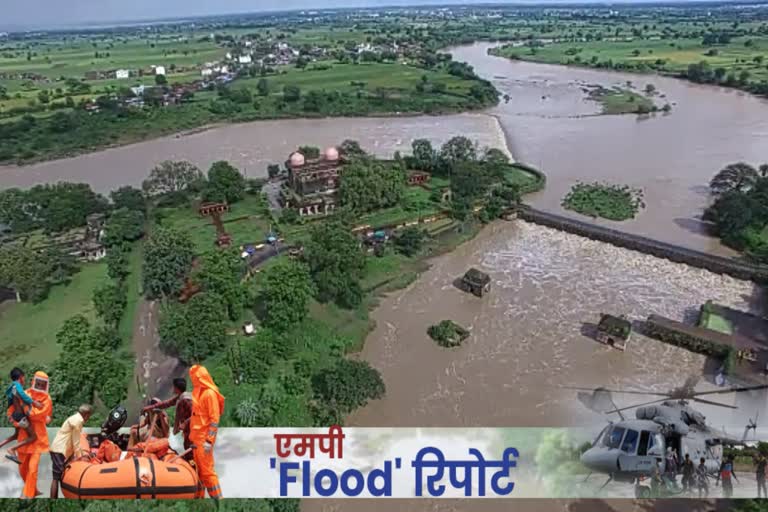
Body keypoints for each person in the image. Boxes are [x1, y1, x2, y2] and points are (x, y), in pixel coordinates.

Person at [16, 371, 52, 499]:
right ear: (34, 381)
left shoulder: (47, 400)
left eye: (44, 384)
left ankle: (27, 494)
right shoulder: (25, 394)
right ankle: (33, 489)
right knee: (22, 468)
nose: (41, 386)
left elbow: (35, 415)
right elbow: (18, 411)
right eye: (39, 383)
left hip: (38, 439)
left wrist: (26, 407)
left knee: (32, 468)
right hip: (24, 437)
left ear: (46, 385)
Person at [189, 365, 224, 499]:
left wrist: (209, 440)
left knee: (208, 472)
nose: (193, 381)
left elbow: (214, 420)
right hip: (196, 440)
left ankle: (218, 499)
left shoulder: (209, 394)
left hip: (204, 441)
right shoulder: (199, 393)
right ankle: (201, 498)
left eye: (194, 378)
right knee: (199, 471)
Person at [141, 378, 193, 459]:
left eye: (173, 387)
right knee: (187, 445)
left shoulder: (186, 400)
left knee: (190, 446)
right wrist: (149, 408)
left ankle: (193, 465)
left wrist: (185, 423)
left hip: (193, 429)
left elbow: (196, 415)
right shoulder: (180, 397)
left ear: (176, 388)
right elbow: (166, 404)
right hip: (188, 429)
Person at [0, 368, 43, 463]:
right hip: (19, 416)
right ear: (20, 377)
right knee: (33, 437)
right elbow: (23, 396)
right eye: (24, 377)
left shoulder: (12, 387)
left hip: (15, 415)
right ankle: (11, 449)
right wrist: (35, 403)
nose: (24, 379)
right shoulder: (16, 385)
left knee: (16, 435)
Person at [49, 404, 92, 498]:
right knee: (56, 478)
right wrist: (80, 456)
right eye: (89, 416)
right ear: (86, 415)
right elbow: (76, 441)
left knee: (58, 476)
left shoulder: (74, 418)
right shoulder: (78, 421)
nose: (88, 418)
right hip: (59, 450)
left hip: (58, 449)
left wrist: (74, 455)